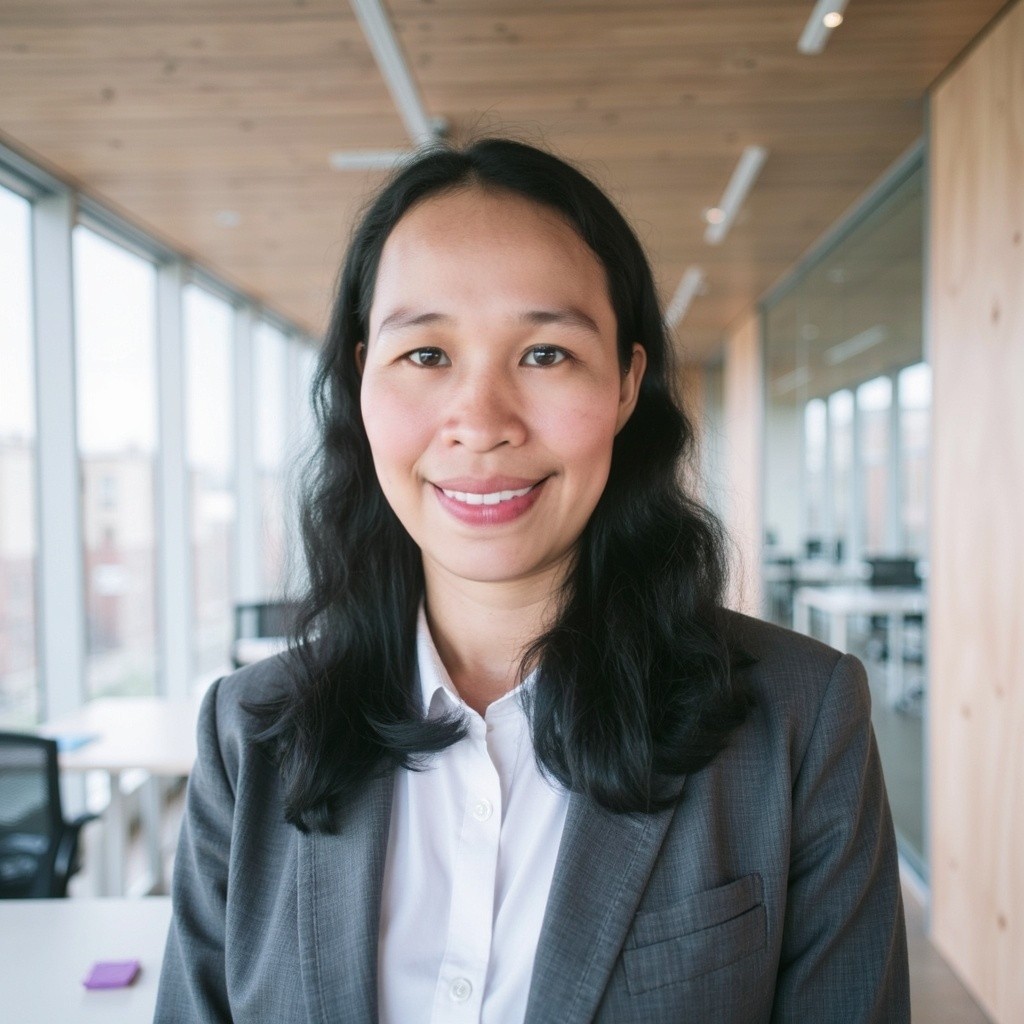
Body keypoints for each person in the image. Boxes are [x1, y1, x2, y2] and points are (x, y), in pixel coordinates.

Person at [155, 138, 909, 1023]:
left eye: (546, 353)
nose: (480, 423)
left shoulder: (801, 719)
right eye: (426, 355)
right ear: (362, 379)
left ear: (628, 381)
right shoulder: (249, 735)